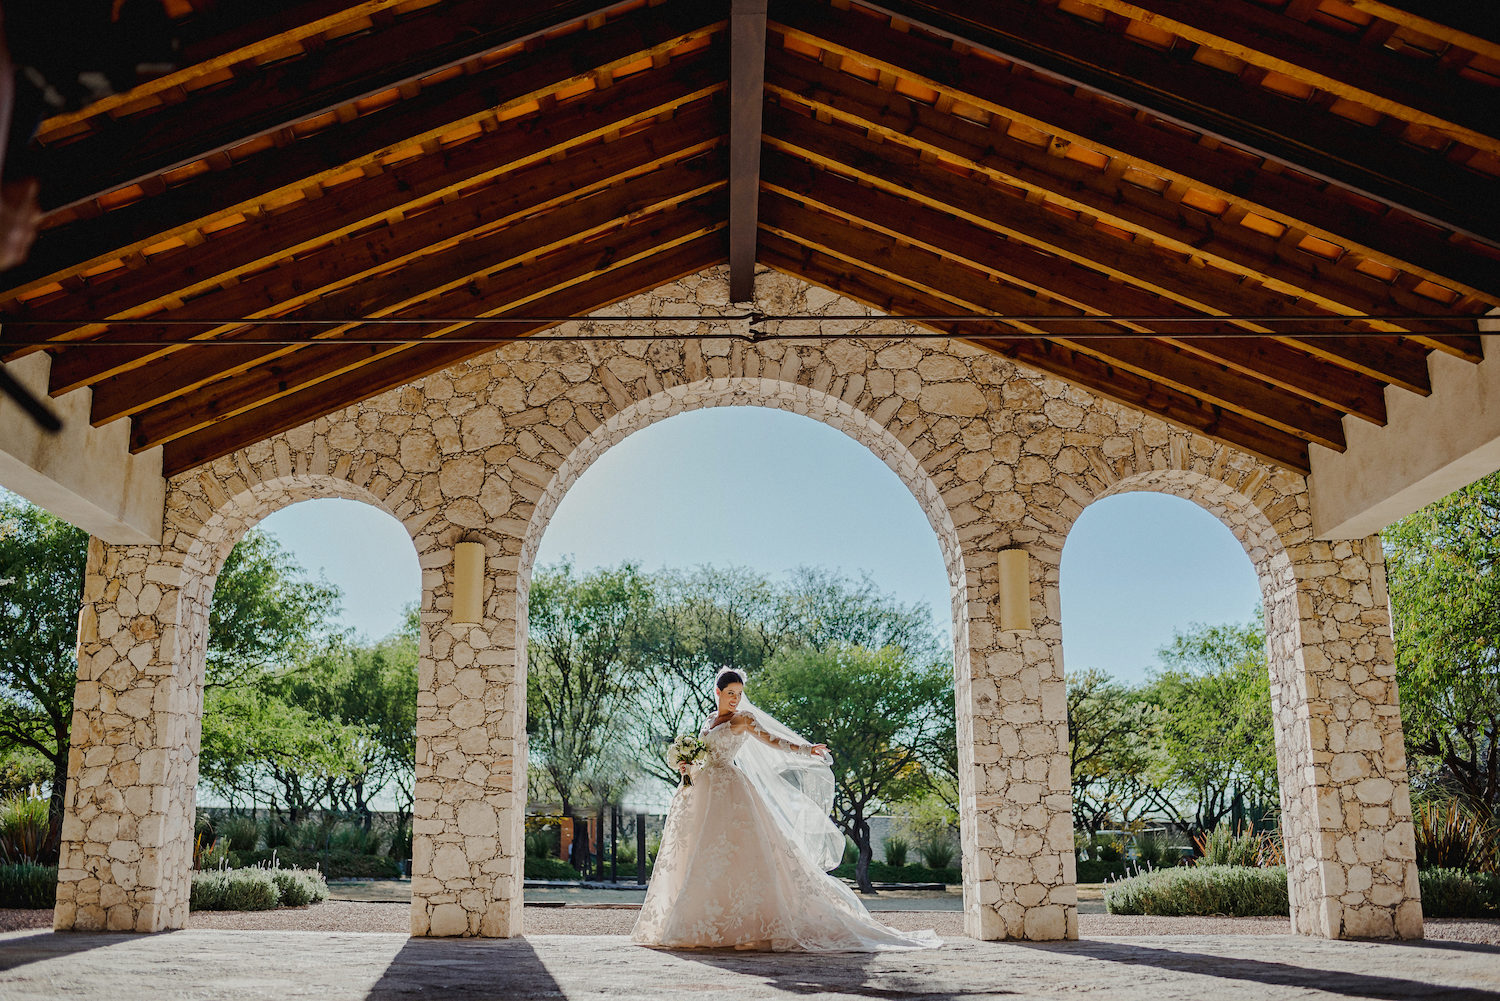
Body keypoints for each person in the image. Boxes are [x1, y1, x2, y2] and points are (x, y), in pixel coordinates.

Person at [631, 667, 942, 952]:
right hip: (701, 790)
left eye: (739, 694)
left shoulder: (743, 720)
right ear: (717, 691)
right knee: (697, 853)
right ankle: (699, 925)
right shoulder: (708, 721)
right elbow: (703, 756)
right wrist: (687, 765)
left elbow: (774, 741)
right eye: (730, 693)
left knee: (738, 854)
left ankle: (746, 927)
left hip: (731, 790)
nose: (736, 699)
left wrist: (808, 750)